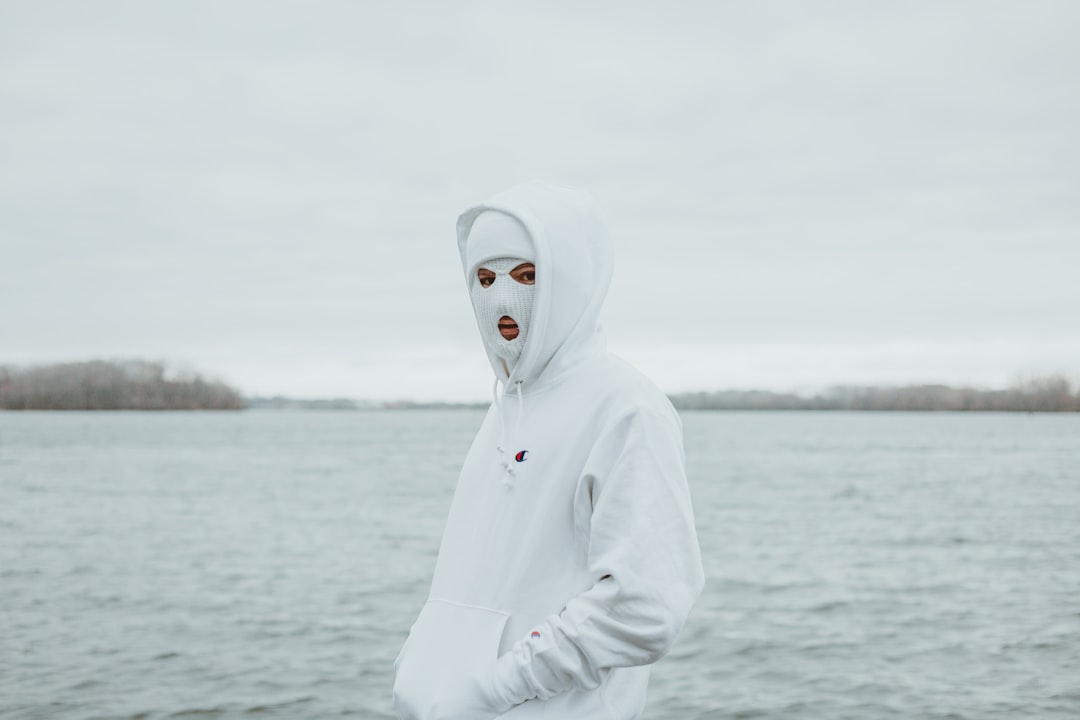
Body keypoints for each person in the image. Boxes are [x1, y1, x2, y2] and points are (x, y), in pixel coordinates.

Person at [392, 180, 706, 719]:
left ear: (570, 280)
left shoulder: (627, 408)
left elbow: (644, 606)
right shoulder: (506, 409)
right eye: (484, 278)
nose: (500, 296)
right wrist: (422, 667)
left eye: (526, 274)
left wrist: (495, 686)